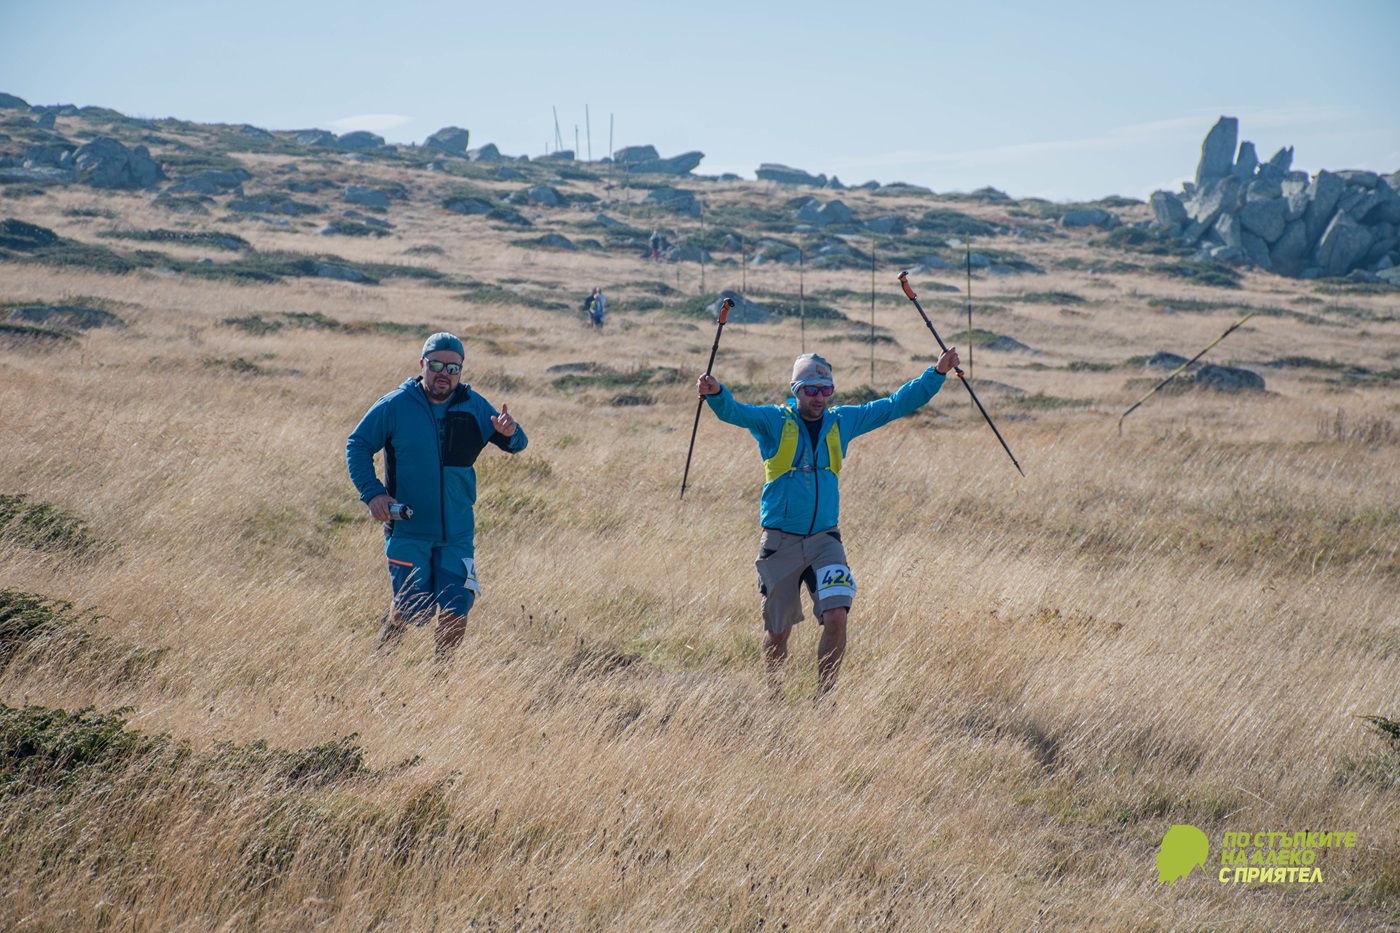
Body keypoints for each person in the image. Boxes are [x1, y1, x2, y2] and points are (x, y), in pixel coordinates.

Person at [696, 349, 959, 697]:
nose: (819, 397)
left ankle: (826, 698)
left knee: (837, 616)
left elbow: (895, 404)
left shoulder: (842, 421)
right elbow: (736, 412)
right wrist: (716, 394)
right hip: (781, 541)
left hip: (825, 540)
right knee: (779, 630)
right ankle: (774, 695)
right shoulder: (773, 422)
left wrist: (937, 372)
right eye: (811, 389)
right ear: (796, 390)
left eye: (826, 389)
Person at [347, 332, 527, 660]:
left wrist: (512, 433)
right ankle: (382, 654)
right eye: (436, 365)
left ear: (461, 371)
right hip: (408, 531)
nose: (444, 373)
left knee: (457, 605)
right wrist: (373, 493)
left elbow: (517, 444)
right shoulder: (395, 406)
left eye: (453, 368)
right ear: (422, 365)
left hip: (457, 533)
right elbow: (357, 445)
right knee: (413, 609)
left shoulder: (473, 405)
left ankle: (440, 680)